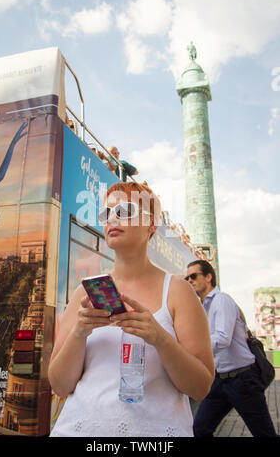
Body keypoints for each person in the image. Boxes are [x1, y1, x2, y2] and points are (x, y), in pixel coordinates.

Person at [48, 181, 215, 437]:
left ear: (152, 225)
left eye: (124, 211)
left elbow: (200, 387)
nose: (112, 219)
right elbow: (60, 384)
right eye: (106, 213)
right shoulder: (85, 292)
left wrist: (160, 338)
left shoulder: (178, 291)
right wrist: (79, 332)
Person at [186, 260, 278, 437]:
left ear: (208, 277)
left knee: (264, 434)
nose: (189, 280)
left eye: (193, 276)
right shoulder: (205, 306)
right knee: (200, 429)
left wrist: (192, 347)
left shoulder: (221, 300)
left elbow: (222, 339)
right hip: (220, 380)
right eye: (186, 277)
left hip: (243, 380)